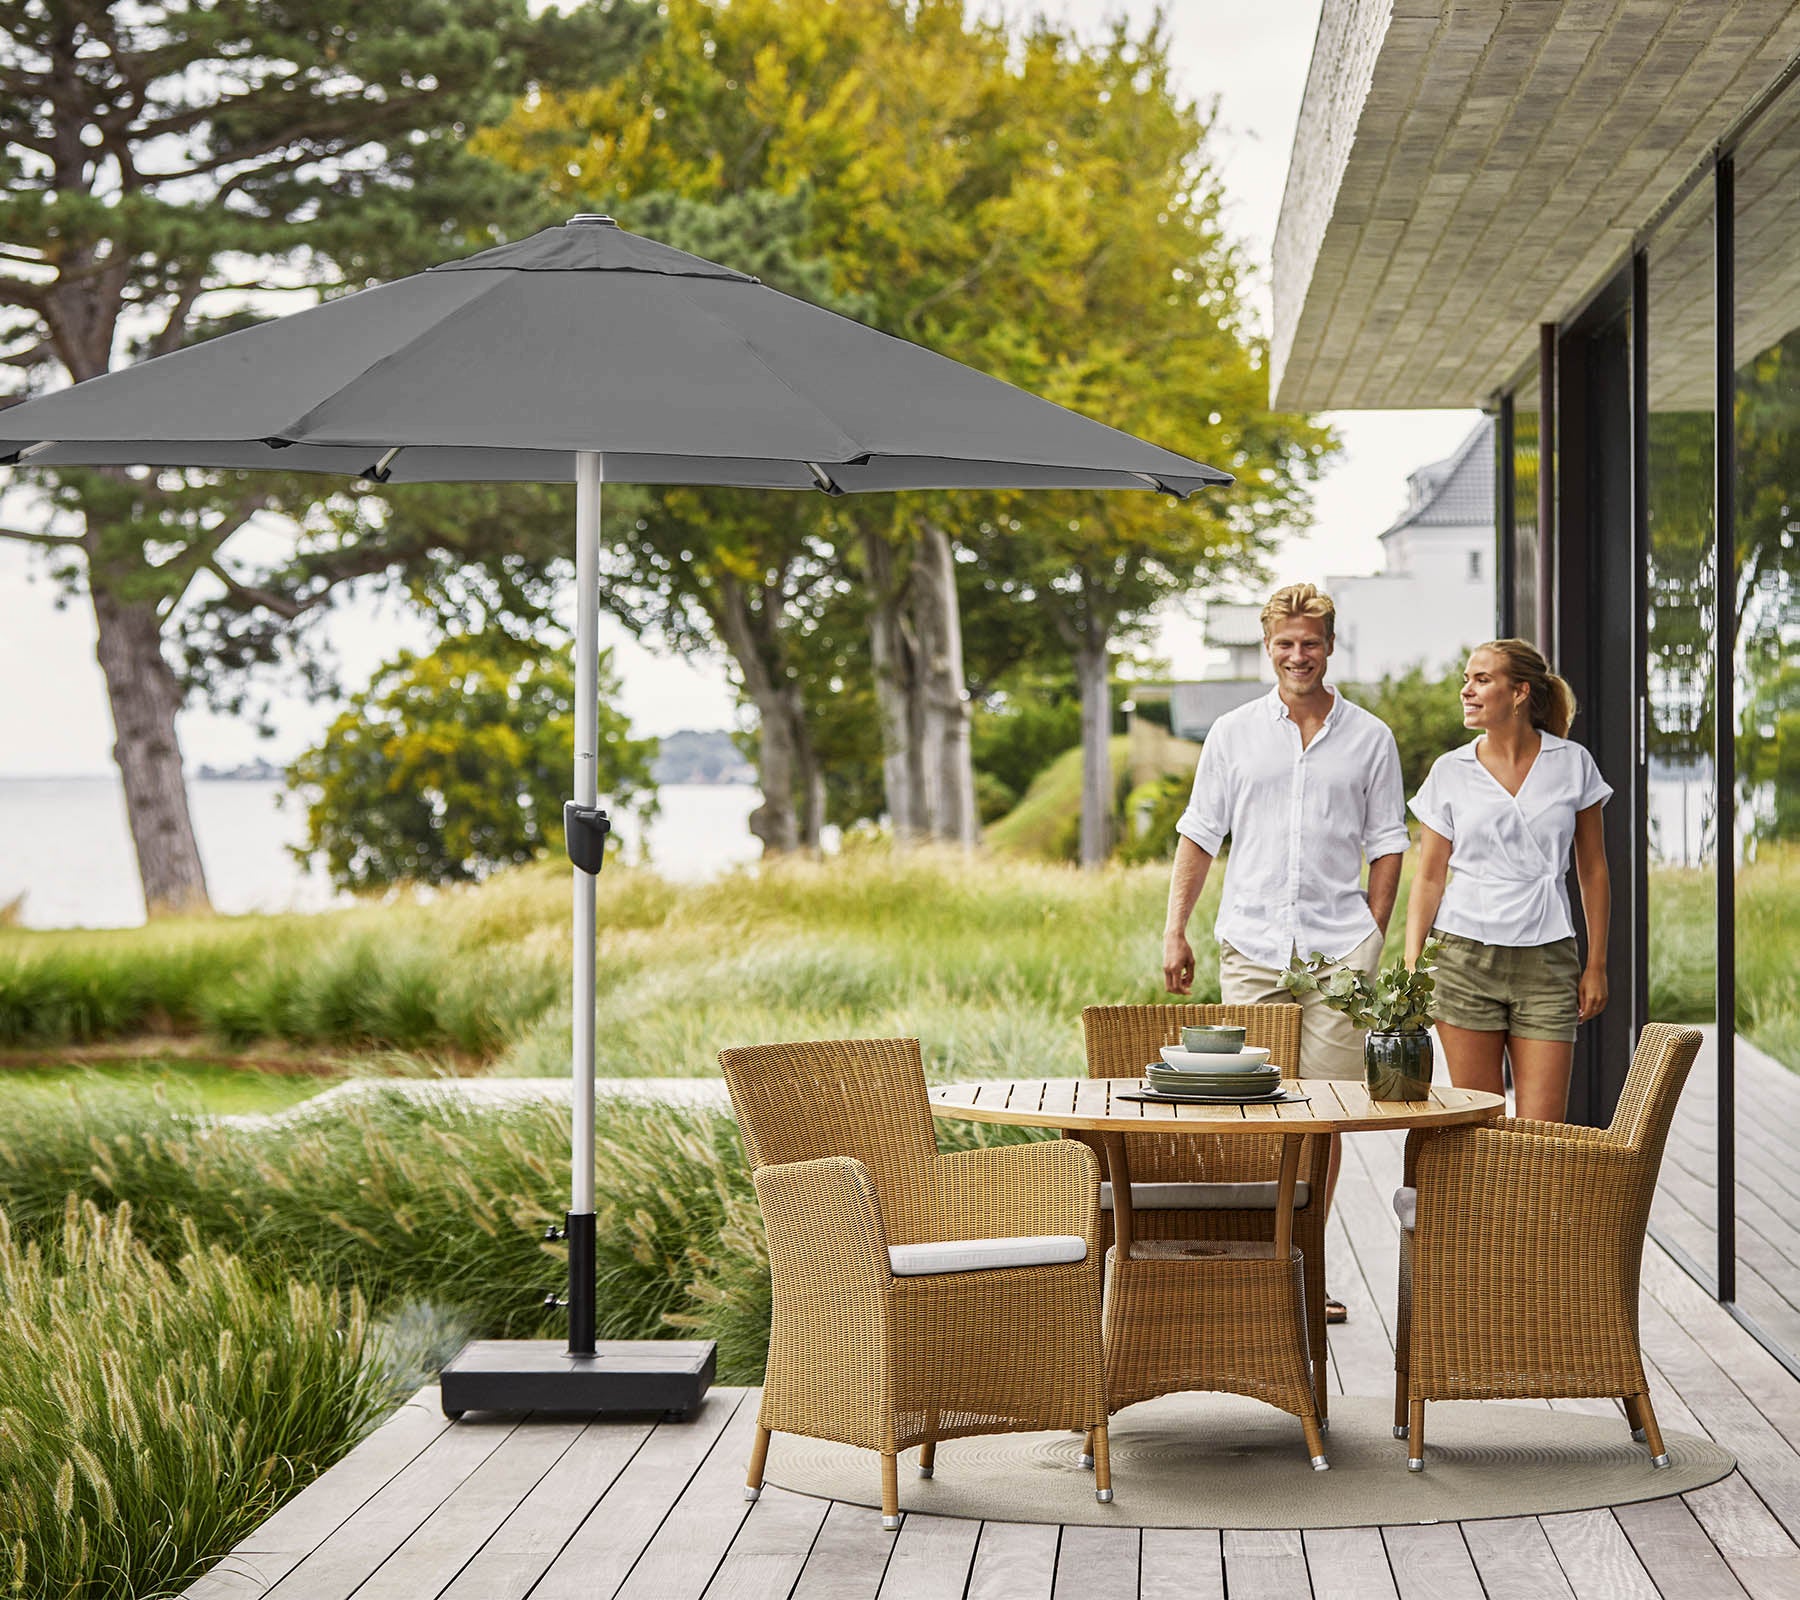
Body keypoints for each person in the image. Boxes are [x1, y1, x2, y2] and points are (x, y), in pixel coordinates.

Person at [1163, 582, 1411, 1323]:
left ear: (1329, 646)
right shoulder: (1234, 734)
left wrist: (1371, 933)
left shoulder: (1371, 738)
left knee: (1325, 1115)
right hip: (1254, 945)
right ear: (1269, 647)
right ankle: (1258, 1264)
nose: (1297, 655)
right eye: (1284, 644)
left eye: (1310, 643)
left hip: (1339, 951)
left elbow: (1389, 843)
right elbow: (1200, 835)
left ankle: (1307, 1266)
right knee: (1248, 1110)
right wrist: (1174, 928)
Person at [1403, 639, 1612, 1122]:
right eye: (1466, 679)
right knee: (1478, 1123)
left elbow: (1593, 870)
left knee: (1541, 1130)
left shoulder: (1572, 763)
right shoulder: (1449, 771)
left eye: (1481, 679)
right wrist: (1414, 957)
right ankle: (1468, 1203)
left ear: (1519, 692)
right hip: (1463, 957)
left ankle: (1533, 1203)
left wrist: (1596, 963)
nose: (1466, 690)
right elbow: (1430, 875)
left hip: (1548, 959)